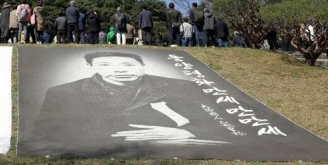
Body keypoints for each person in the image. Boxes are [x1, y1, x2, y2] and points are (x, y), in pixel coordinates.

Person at [30, 51, 227, 154]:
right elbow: (43, 133)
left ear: (142, 65)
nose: (120, 70)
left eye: (128, 64)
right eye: (105, 65)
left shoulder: (183, 86)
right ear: (91, 66)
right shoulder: (63, 92)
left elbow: (222, 119)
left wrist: (190, 132)